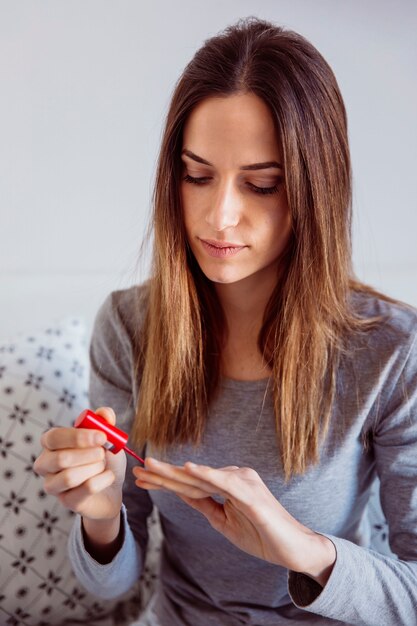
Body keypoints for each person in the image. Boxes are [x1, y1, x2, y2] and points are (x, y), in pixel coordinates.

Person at [33, 16, 417, 626]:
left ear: (316, 190)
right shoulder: (129, 328)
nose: (220, 216)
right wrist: (103, 513)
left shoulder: (393, 352)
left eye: (262, 185)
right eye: (197, 176)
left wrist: (305, 552)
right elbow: (111, 586)